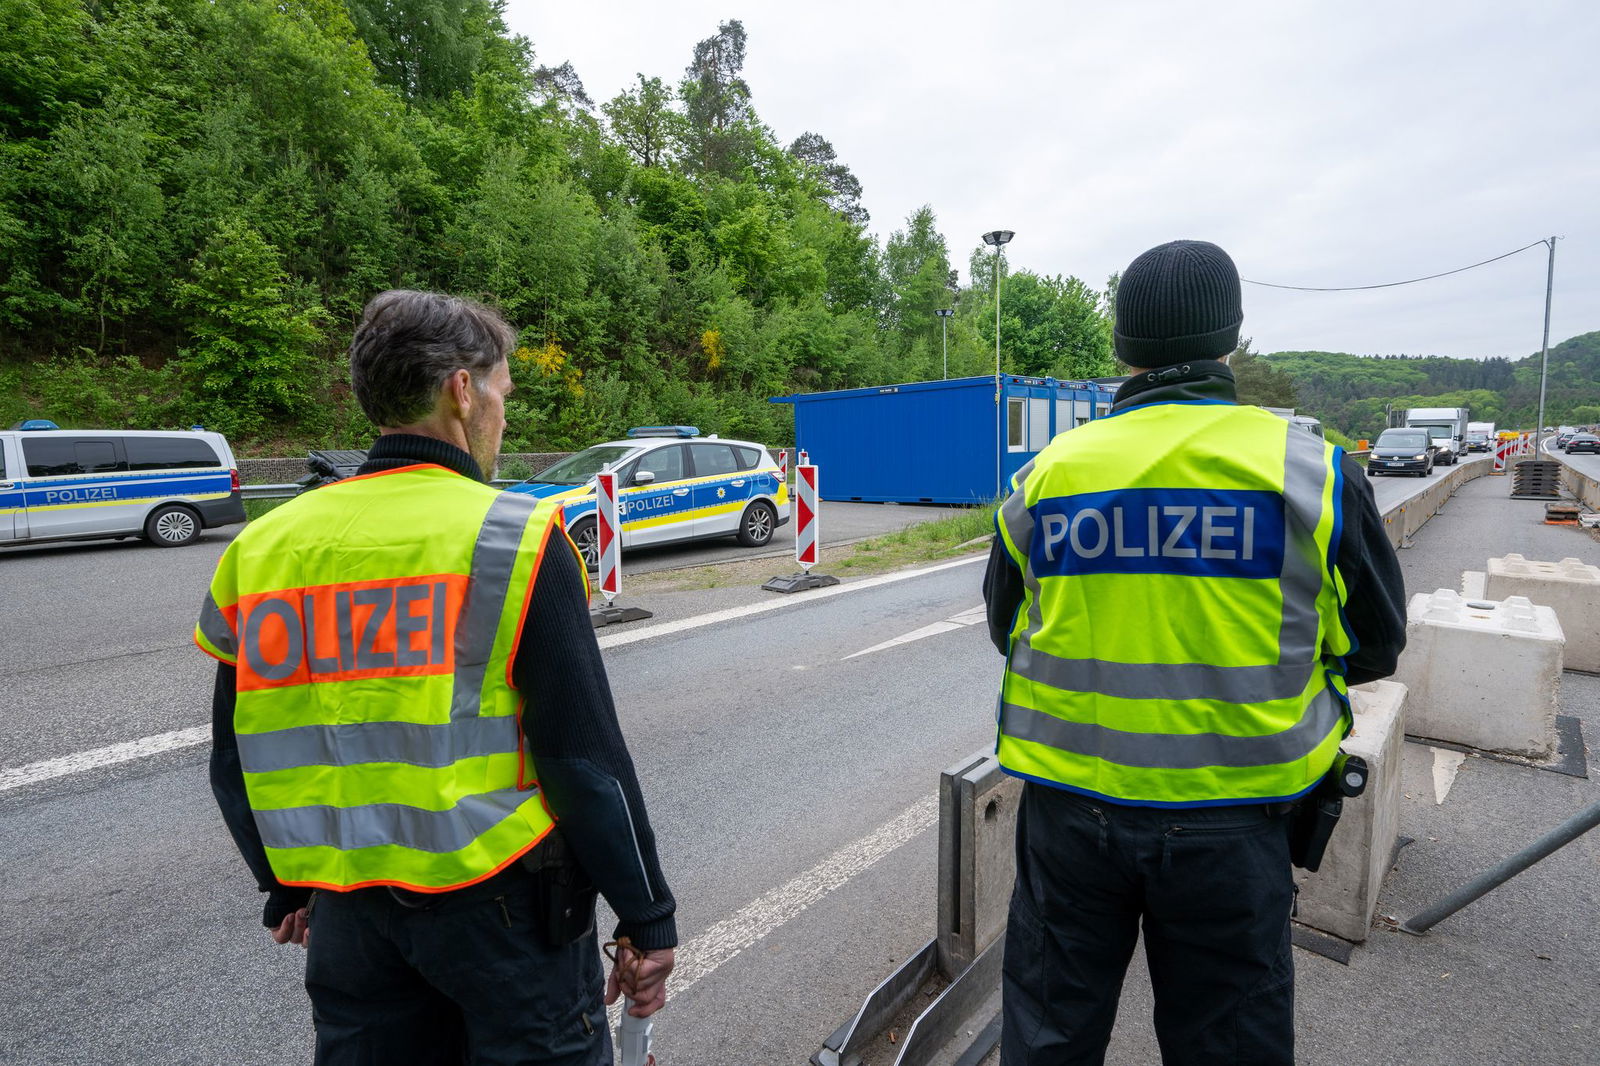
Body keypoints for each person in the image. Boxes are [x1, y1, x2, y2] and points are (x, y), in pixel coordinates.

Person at [197, 290, 676, 1065]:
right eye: (502, 393)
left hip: (348, 910)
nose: (504, 416)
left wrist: (284, 882)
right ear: (462, 390)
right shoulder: (514, 536)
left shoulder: (264, 547)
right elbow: (582, 759)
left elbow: (234, 754)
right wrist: (646, 914)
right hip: (503, 908)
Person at [984, 241, 1406, 1065]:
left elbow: (1010, 629)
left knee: (1047, 1036)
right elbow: (1374, 645)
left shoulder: (1049, 474)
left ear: (1121, 347)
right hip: (1236, 824)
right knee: (1228, 1043)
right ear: (1232, 337)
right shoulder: (1311, 471)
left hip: (1069, 818)